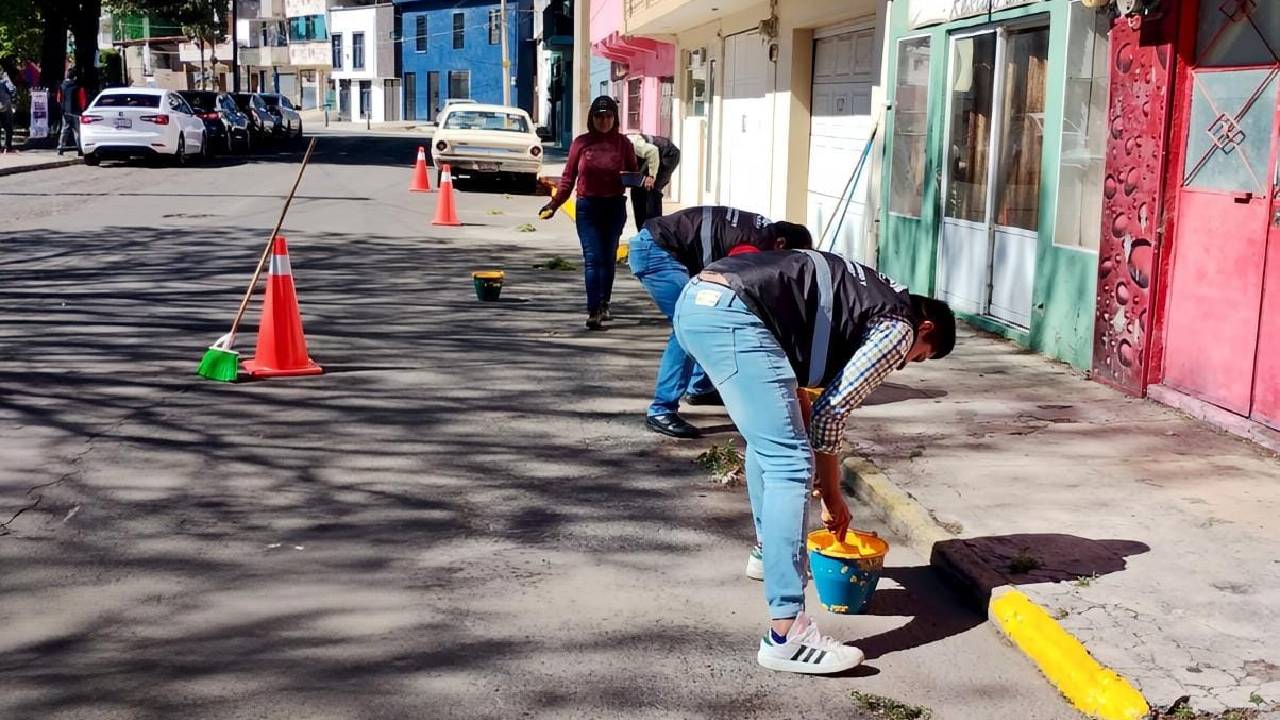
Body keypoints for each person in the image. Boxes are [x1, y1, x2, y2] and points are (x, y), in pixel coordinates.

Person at [672, 249, 954, 674]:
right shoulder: (898, 325)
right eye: (917, 357)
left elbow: (802, 400)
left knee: (769, 443)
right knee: (789, 463)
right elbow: (833, 411)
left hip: (698, 302)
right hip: (734, 315)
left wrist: (822, 473)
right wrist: (833, 494)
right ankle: (787, 633)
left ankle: (768, 552)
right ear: (925, 327)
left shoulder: (865, 296)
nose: (902, 367)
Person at [629, 206, 813, 439]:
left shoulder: (763, 231)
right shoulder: (751, 247)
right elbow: (737, 287)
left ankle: (699, 387)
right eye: (791, 258)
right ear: (781, 244)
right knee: (688, 325)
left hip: (663, 244)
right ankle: (661, 410)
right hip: (656, 252)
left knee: (700, 321)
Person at [539, 95, 637, 330]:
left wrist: (644, 182)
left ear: (615, 118)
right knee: (592, 259)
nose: (603, 121)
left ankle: (604, 302)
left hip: (614, 207)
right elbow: (568, 178)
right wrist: (554, 204)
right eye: (598, 116)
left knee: (608, 258)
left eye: (608, 116)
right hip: (587, 207)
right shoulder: (581, 143)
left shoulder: (624, 144)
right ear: (591, 118)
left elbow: (634, 175)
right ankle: (593, 310)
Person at [625, 133, 680, 230]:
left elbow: (653, 151)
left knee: (650, 189)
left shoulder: (630, 144)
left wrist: (651, 176)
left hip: (667, 154)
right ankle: (643, 231)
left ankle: (654, 233)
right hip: (650, 159)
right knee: (637, 189)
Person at [57, 68, 80, 156]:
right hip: (76, 111)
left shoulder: (62, 86)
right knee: (77, 131)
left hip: (65, 112)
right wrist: (82, 109)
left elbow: (59, 99)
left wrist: (62, 108)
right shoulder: (77, 86)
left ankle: (61, 147)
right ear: (74, 77)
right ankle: (79, 148)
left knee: (64, 130)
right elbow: (82, 99)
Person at [0, 68, 16, 153]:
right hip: (5, 106)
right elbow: (12, 89)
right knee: (8, 127)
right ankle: (7, 146)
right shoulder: (4, 81)